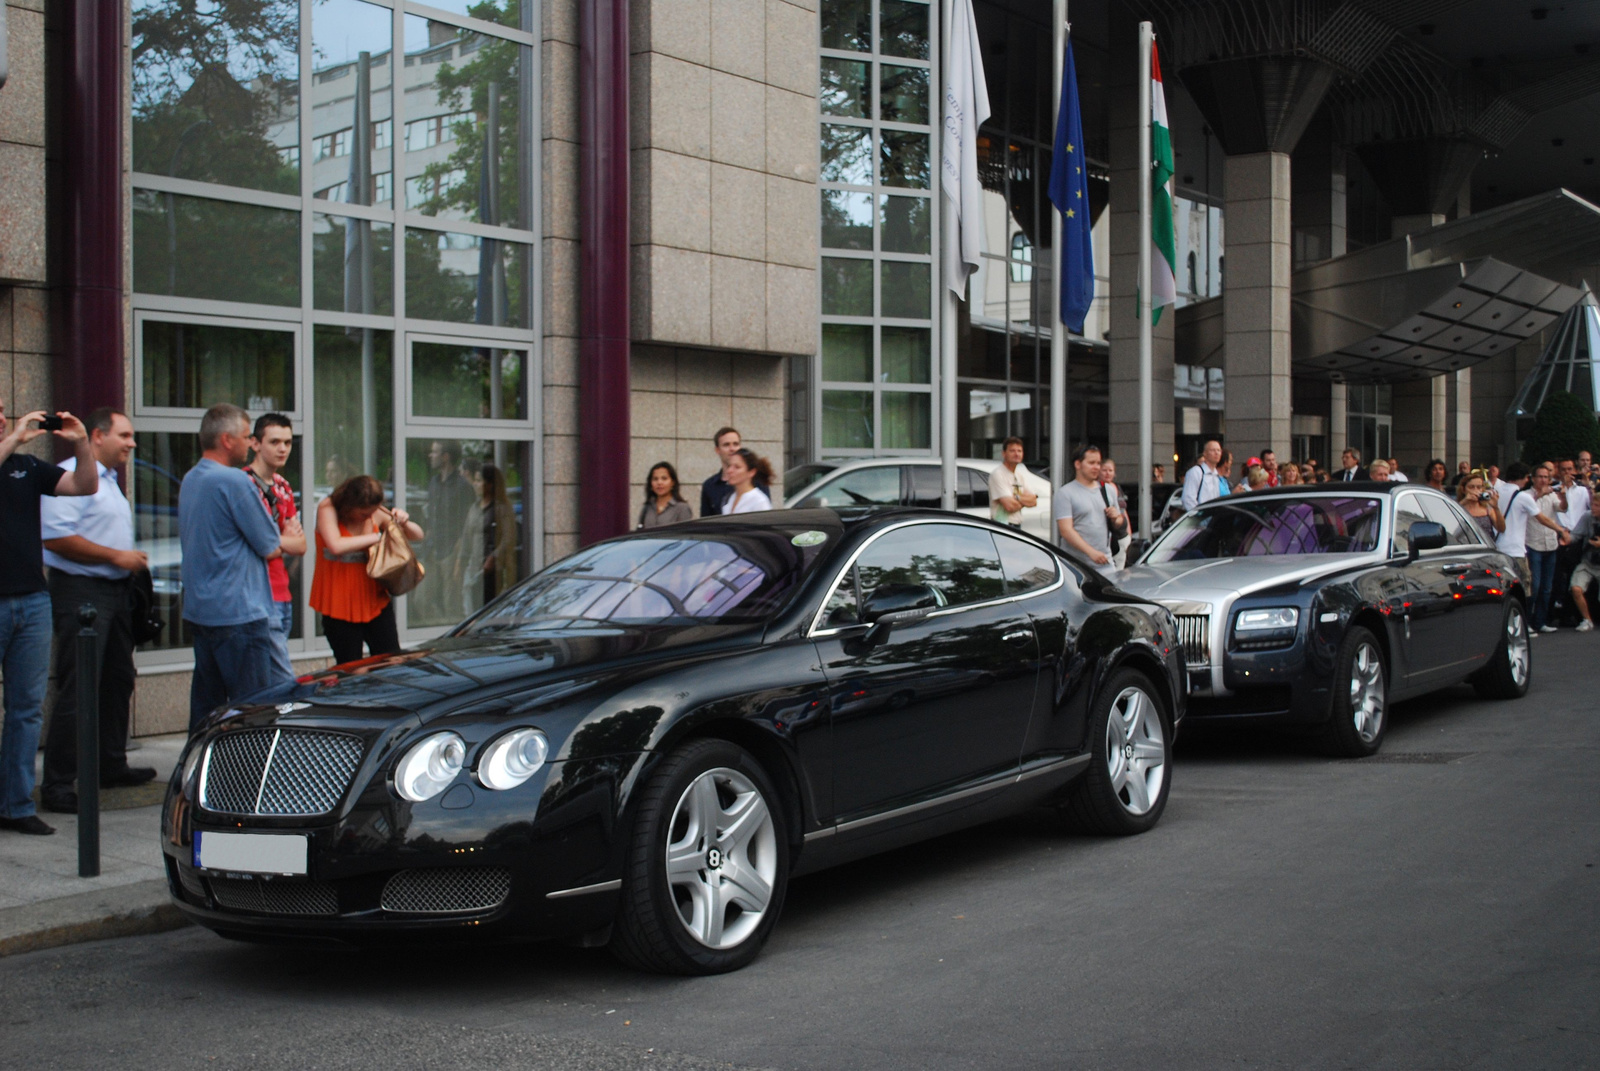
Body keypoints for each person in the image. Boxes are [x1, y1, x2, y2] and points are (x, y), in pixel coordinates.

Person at [38, 407, 157, 815]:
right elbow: (55, 539)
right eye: (125, 435)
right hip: (81, 591)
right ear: (98, 436)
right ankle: (57, 783)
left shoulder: (110, 483)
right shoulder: (69, 475)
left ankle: (110, 763)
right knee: (80, 685)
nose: (132, 443)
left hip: (114, 592)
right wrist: (117, 557)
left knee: (118, 679)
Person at [0, 397, 97, 835]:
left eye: (3, 411)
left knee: (25, 710)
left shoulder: (26, 467)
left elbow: (85, 486)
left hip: (32, 601)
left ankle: (16, 806)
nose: (2, 419)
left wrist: (80, 444)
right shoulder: (11, 452)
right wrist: (16, 437)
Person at [181, 404, 291, 732]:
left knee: (207, 711)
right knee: (252, 714)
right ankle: (249, 782)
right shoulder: (234, 482)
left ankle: (198, 778)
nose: (250, 444)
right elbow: (271, 545)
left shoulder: (191, 477)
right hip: (240, 614)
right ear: (227, 440)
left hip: (202, 611)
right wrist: (284, 535)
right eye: (247, 437)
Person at [311, 475, 424, 664]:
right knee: (350, 666)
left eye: (371, 512)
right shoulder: (328, 508)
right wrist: (377, 538)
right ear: (349, 505)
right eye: (364, 514)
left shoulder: (375, 512)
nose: (369, 517)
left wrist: (404, 521)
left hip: (374, 600)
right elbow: (335, 545)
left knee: (390, 660)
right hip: (339, 602)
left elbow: (417, 535)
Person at [247, 414, 306, 683]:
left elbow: (301, 545)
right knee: (282, 679)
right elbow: (260, 548)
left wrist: (275, 540)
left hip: (283, 592)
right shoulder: (243, 484)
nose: (283, 448)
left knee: (271, 676)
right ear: (255, 444)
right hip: (257, 593)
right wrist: (282, 539)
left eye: (287, 442)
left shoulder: (283, 486)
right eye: (274, 442)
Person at [457, 462, 517, 615]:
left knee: (489, 611)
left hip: (492, 572)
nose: (475, 484)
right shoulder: (474, 508)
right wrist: (460, 563)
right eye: (475, 480)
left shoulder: (501, 508)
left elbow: (509, 537)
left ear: (489, 484)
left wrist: (495, 556)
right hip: (474, 569)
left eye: (479, 481)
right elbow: (466, 538)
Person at [1055, 444, 1118, 568]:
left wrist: (1116, 517)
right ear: (1078, 464)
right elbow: (1066, 530)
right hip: (1075, 564)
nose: (1096, 467)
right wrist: (1091, 552)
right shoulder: (1065, 493)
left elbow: (1119, 523)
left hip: (1105, 561)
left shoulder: (1108, 490)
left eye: (1098, 463)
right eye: (1091, 463)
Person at [701, 427, 766, 517]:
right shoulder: (709, 486)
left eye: (735, 444)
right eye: (726, 445)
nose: (732, 449)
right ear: (717, 450)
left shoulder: (757, 484)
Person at [988, 436, 1040, 528]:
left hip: (1017, 525)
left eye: (1019, 451)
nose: (1016, 454)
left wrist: (1016, 497)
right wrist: (1024, 501)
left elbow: (1034, 501)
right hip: (1002, 525)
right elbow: (1010, 506)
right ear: (1004, 454)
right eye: (1012, 451)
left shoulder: (1019, 476)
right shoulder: (998, 474)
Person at [1567, 492, 1600, 632]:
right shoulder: (1587, 516)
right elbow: (1576, 534)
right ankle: (1587, 619)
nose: (1593, 507)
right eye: (1593, 504)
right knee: (1576, 588)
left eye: (1597, 505)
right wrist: (1567, 539)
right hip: (1588, 561)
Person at [639, 462, 693, 528]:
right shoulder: (647, 507)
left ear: (673, 482)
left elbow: (685, 534)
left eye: (664, 478)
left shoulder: (682, 508)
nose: (659, 482)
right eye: (655, 479)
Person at [1457, 470, 1505, 544]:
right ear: (1463, 489)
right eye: (1471, 487)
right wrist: (1464, 501)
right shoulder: (1459, 507)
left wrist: (1496, 508)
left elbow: (1501, 529)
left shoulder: (1487, 509)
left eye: (1479, 487)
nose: (1475, 490)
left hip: (1485, 548)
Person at [720, 449, 774, 514]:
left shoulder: (759, 501)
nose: (729, 471)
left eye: (737, 467)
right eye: (729, 466)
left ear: (751, 472)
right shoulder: (729, 498)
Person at [1099, 458, 1131, 569]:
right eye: (1104, 470)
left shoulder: (1116, 488)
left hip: (1123, 533)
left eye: (1110, 470)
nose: (1107, 473)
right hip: (1111, 537)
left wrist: (1129, 533)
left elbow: (1123, 512)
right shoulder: (1099, 489)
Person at [1181, 440, 1225, 510]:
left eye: (1219, 450)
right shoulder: (1196, 472)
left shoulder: (1216, 475)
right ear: (1205, 453)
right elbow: (1188, 499)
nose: (1216, 453)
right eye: (1213, 450)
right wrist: (1198, 516)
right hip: (1199, 517)